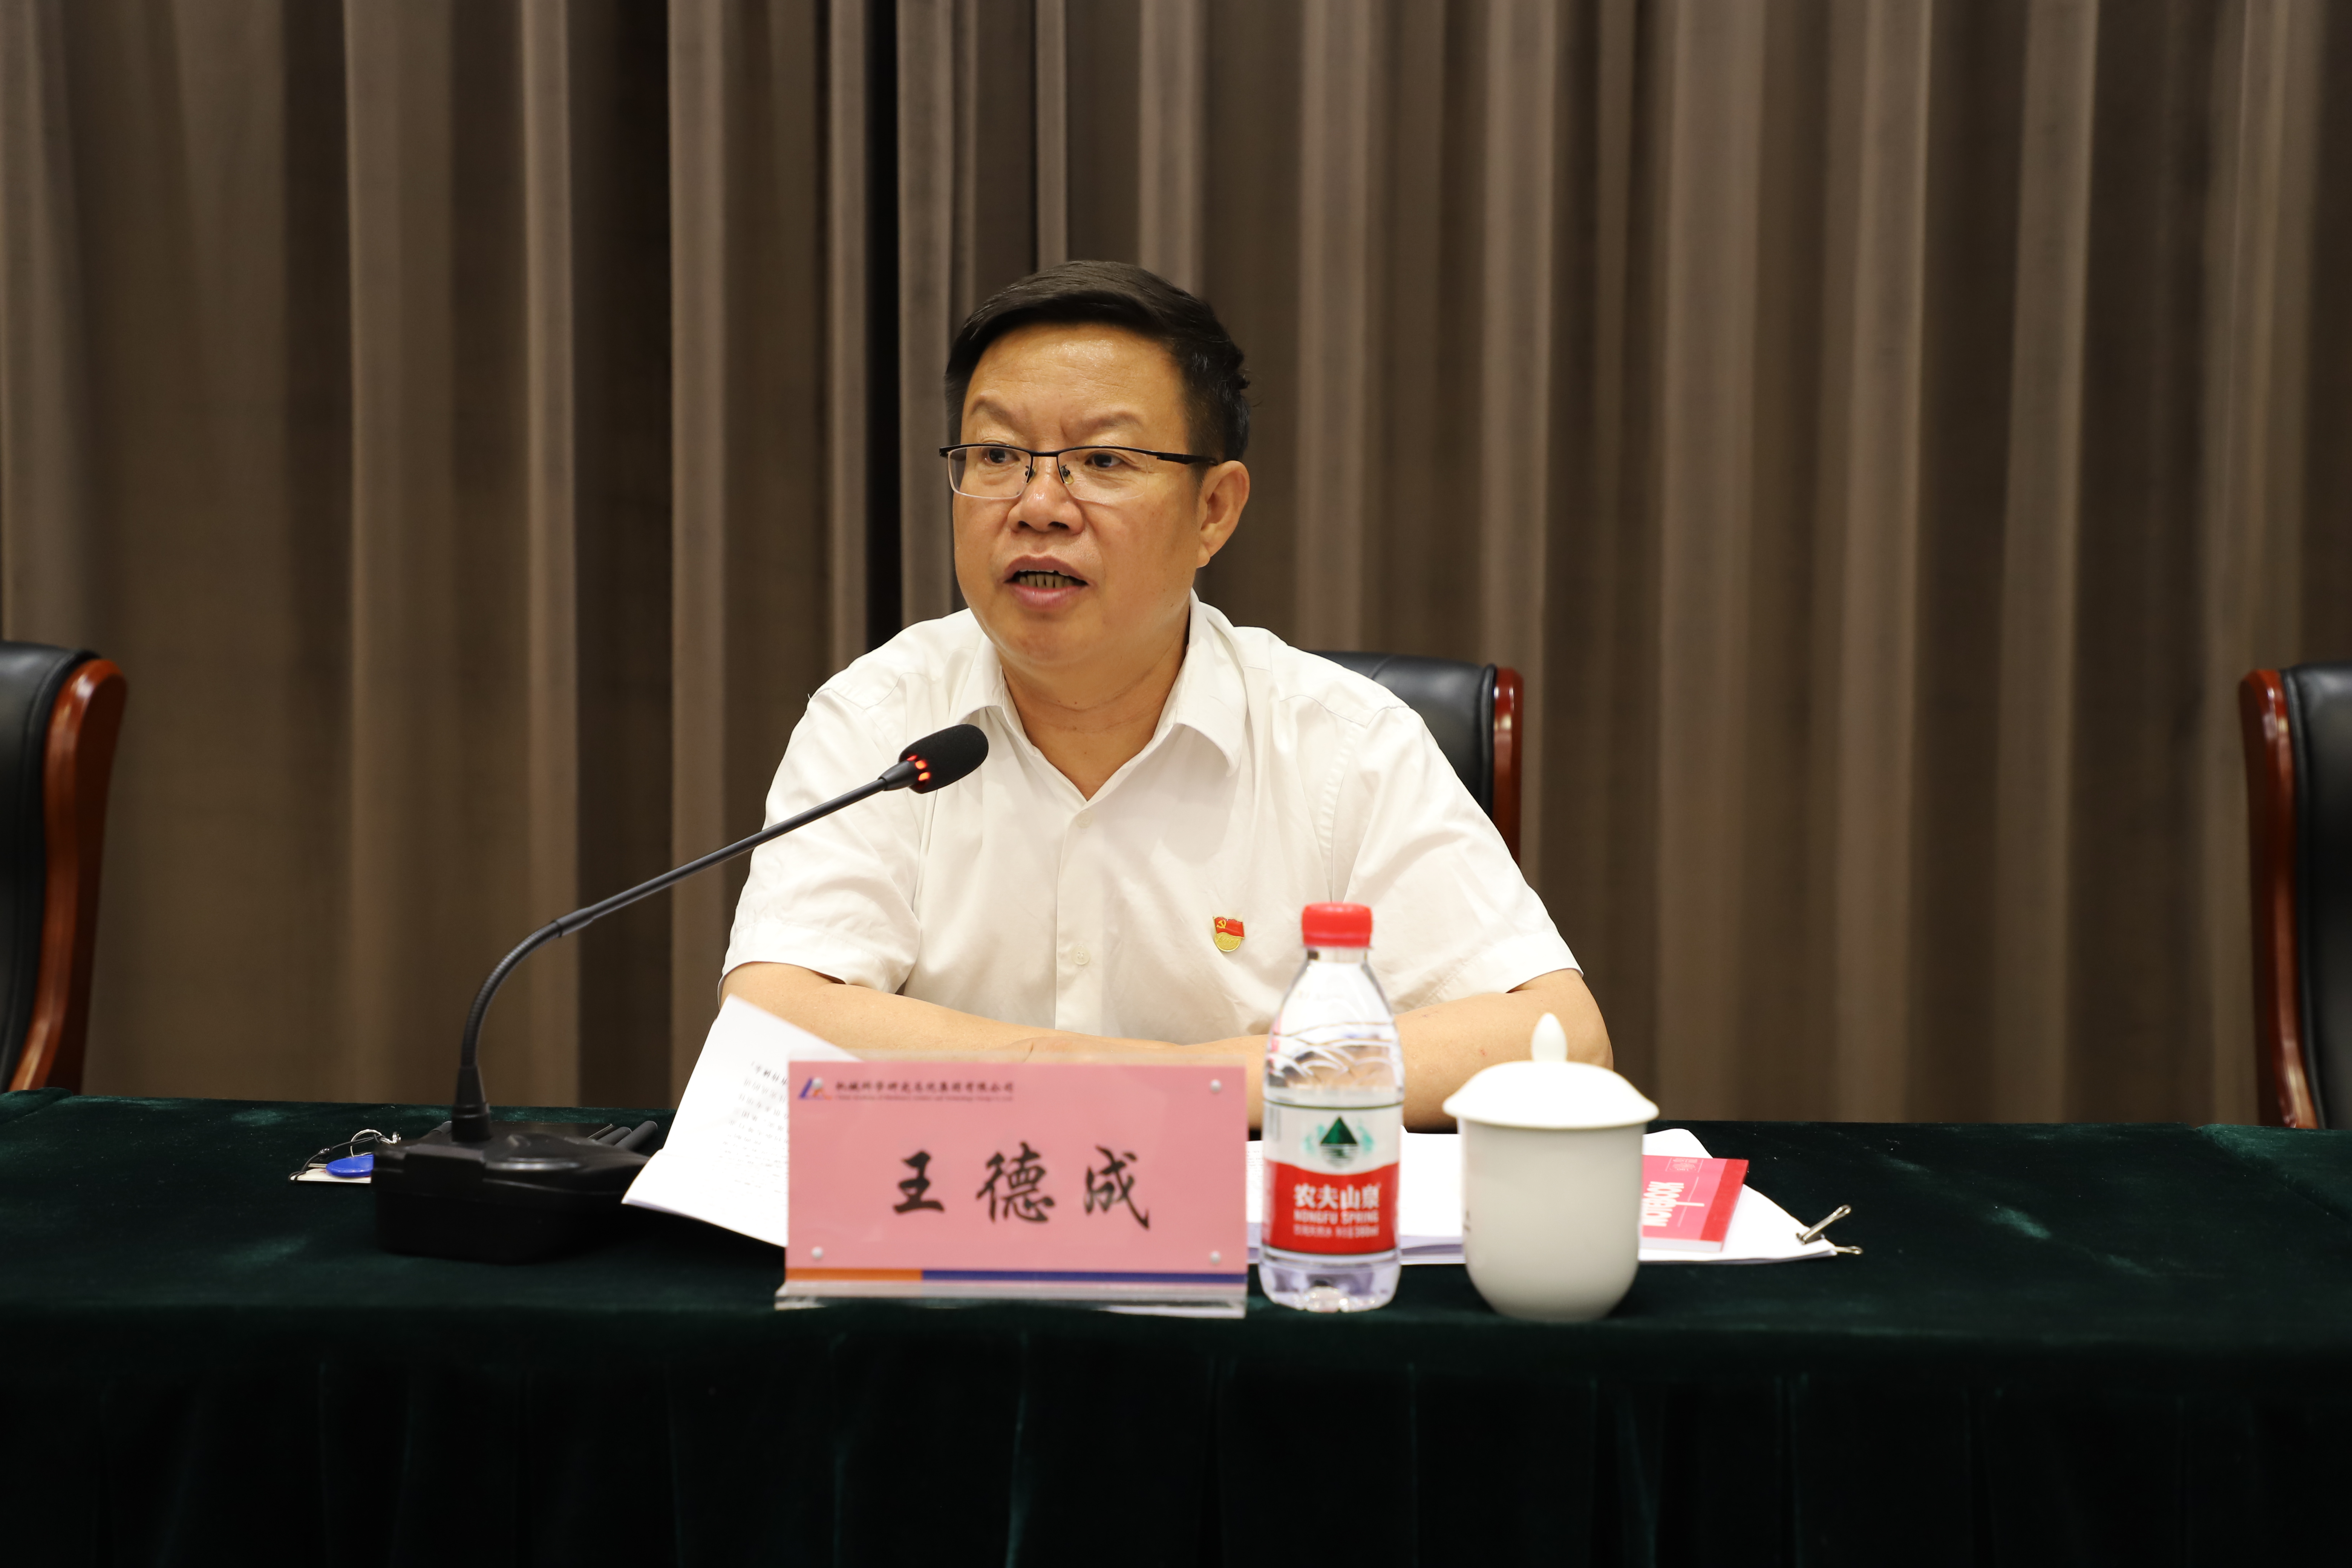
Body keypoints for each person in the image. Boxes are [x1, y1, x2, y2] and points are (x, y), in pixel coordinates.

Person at [720, 260, 1608, 1128]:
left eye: (1102, 459)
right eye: (996, 455)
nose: (1039, 504)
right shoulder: (879, 719)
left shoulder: (1345, 744)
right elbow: (771, 1012)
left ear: (1214, 511)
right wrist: (1072, 1073)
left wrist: (1187, 1087)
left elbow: (1555, 1036)